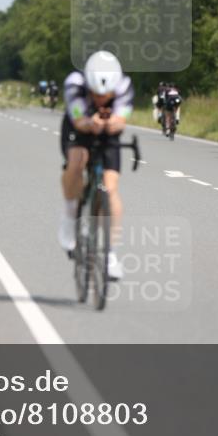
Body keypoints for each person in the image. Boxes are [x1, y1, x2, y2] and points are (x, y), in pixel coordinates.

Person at [59, 51, 134, 279]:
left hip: (107, 132)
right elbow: (79, 120)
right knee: (77, 161)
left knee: (110, 189)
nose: (101, 99)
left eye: (106, 95)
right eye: (96, 94)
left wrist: (111, 124)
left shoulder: (124, 85)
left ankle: (110, 255)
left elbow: (121, 120)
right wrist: (91, 123)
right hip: (78, 127)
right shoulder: (75, 83)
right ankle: (70, 216)